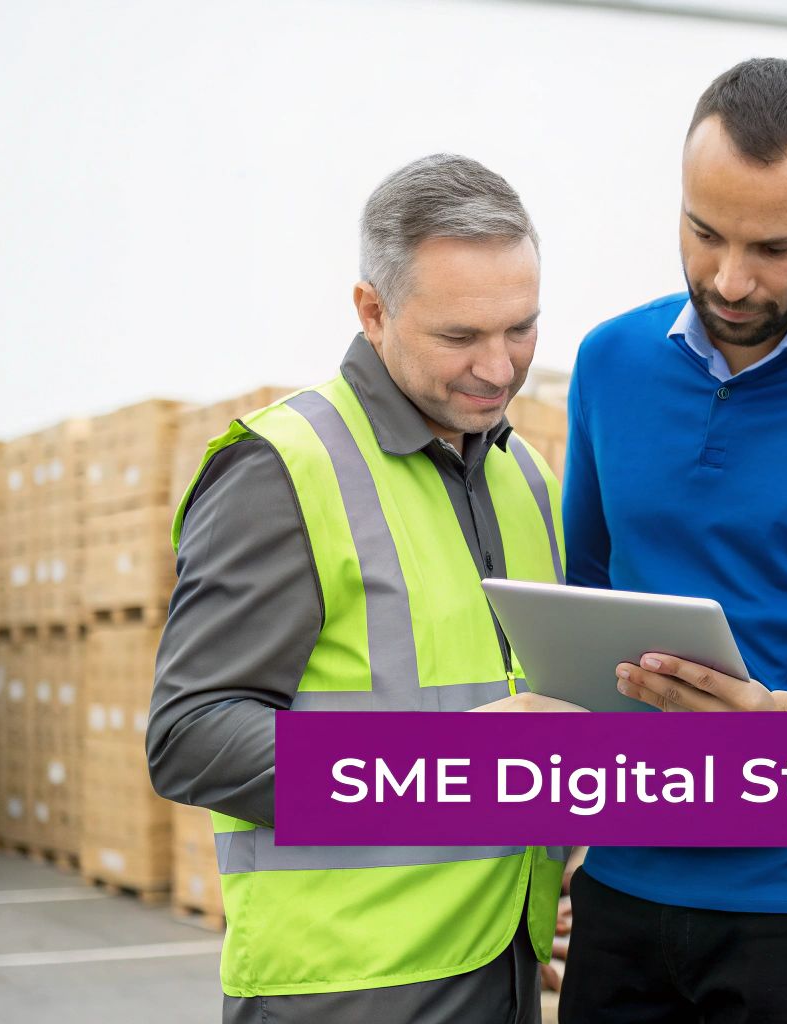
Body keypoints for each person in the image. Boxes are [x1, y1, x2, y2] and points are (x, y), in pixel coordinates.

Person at [145, 153, 573, 1024]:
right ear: (372, 312)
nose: (499, 369)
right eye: (460, 337)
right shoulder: (282, 469)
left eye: (521, 329)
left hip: (502, 974)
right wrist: (447, 764)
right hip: (342, 993)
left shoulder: (524, 475)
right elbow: (190, 737)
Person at [560, 58, 787, 1023]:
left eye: (773, 247)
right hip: (624, 889)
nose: (729, 279)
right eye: (704, 232)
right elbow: (585, 593)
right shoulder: (610, 363)